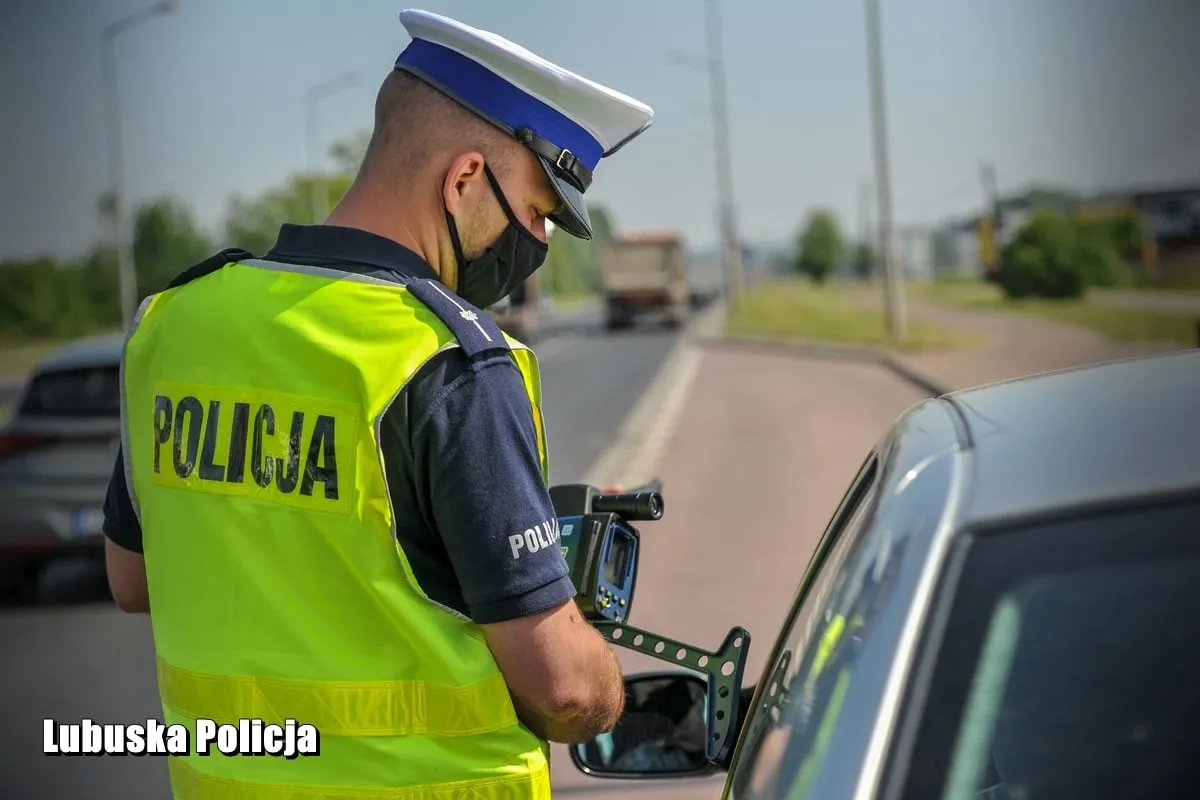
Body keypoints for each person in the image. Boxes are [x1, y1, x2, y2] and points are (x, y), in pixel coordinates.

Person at [100, 8, 654, 798]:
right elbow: (562, 690)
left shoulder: (176, 322)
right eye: (535, 212)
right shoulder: (446, 362)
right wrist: (602, 671)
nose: (534, 244)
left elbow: (133, 579)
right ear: (463, 180)